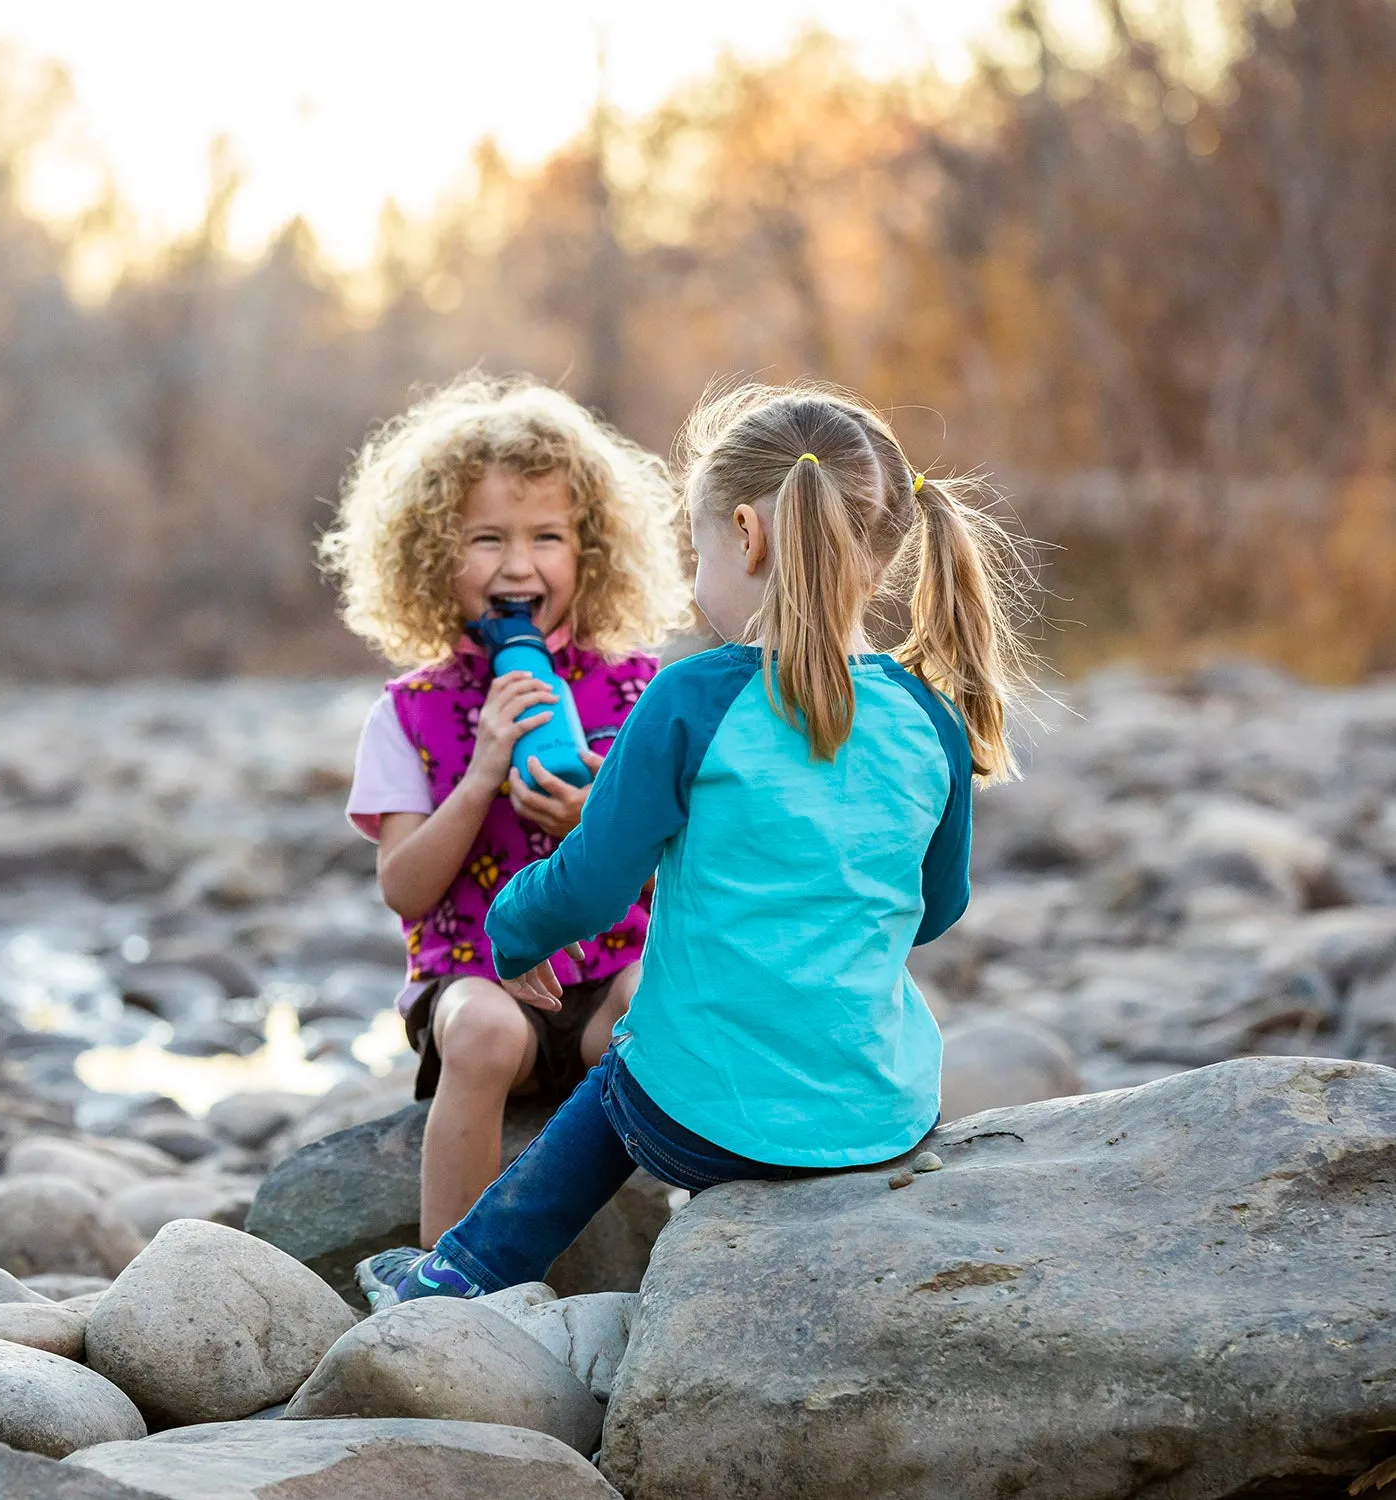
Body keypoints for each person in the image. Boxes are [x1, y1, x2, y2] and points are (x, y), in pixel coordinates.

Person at [357, 381, 1036, 1308]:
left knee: (628, 1076)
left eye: (701, 544)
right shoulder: (931, 717)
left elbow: (593, 885)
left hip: (695, 1123)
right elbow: (938, 907)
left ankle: (458, 1275)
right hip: (887, 1116)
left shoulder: (687, 699)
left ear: (747, 535)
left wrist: (514, 933)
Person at [319, 374, 692, 1269]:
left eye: (547, 538)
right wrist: (482, 772)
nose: (519, 566)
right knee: (484, 1033)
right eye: (487, 539)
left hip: (607, 974)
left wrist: (596, 823)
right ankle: (447, 1278)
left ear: (592, 553)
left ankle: (701, 1236)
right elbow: (403, 887)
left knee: (661, 1011)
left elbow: (684, 868)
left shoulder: (639, 690)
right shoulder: (408, 711)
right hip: (475, 982)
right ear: (432, 558)